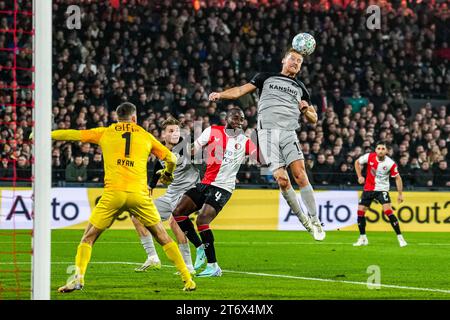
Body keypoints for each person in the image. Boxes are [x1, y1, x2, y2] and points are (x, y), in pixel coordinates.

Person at [52, 102, 196, 293]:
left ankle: (78, 279)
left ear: (117, 117)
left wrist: (48, 135)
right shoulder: (145, 135)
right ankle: (188, 280)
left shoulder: (106, 132)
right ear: (134, 118)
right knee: (163, 236)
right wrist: (168, 174)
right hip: (139, 194)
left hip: (114, 194)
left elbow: (73, 134)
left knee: (88, 238)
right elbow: (172, 158)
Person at [209, 48, 325, 241]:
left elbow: (314, 118)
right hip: (267, 135)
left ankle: (315, 220)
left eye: (299, 61)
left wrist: (306, 110)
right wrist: (220, 94)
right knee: (282, 180)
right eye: (293, 59)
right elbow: (239, 91)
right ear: (283, 60)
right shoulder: (265, 77)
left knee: (300, 175)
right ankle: (305, 222)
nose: (296, 63)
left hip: (288, 133)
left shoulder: (301, 87)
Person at [172, 107, 256, 277]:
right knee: (178, 212)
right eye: (235, 117)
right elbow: (193, 149)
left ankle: (213, 266)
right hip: (205, 183)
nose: (238, 120)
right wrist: (179, 147)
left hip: (223, 187)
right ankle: (200, 247)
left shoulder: (245, 141)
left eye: (241, 119)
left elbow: (260, 158)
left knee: (202, 220)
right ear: (227, 118)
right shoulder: (212, 131)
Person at [131, 118, 199, 274]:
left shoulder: (188, 147)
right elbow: (154, 174)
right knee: (137, 217)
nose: (175, 134)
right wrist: (150, 188)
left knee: (175, 223)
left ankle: (188, 266)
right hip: (171, 195)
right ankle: (153, 258)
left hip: (187, 195)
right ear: (163, 134)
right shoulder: (161, 152)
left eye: (177, 130)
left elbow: (204, 161)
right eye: (171, 131)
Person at [353, 141, 407, 247]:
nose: (381, 151)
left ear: (386, 151)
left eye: (383, 149)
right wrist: (359, 176)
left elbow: (397, 178)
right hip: (368, 189)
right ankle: (363, 238)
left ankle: (400, 238)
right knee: (360, 212)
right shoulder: (369, 156)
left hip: (382, 190)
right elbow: (357, 162)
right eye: (379, 149)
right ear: (376, 150)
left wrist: (400, 194)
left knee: (388, 211)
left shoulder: (390, 163)